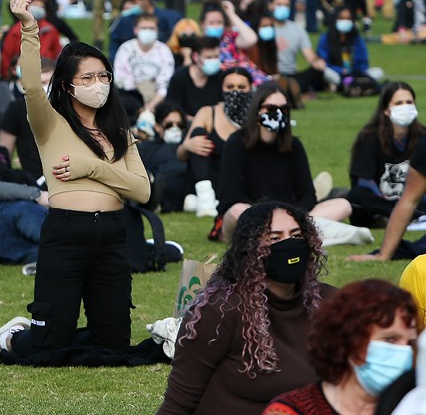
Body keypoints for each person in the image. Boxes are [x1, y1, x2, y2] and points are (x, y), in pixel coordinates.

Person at [0, 0, 151, 360]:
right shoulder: (50, 124)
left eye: (103, 75)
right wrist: (29, 27)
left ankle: (71, 335)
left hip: (111, 235)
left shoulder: (119, 129)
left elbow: (142, 189)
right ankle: (12, 339)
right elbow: (31, 87)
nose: (98, 83)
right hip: (66, 234)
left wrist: (91, 168)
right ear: (66, 84)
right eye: (87, 77)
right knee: (48, 347)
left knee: (114, 347)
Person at [157, 202, 334, 415]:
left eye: (296, 236)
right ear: (249, 250)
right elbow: (178, 403)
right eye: (275, 239)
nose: (289, 245)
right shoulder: (220, 311)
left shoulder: (332, 302)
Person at [217, 83, 352, 241]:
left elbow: (307, 194)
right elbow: (231, 196)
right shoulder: (237, 143)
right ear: (257, 110)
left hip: (289, 215)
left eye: (284, 109)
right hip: (250, 215)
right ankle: (301, 233)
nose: (278, 114)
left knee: (343, 205)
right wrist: (267, 214)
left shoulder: (294, 146)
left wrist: (290, 215)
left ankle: (287, 233)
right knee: (237, 210)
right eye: (271, 109)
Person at [263, 279, 417, 415]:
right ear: (349, 340)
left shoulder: (415, 406)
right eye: (390, 340)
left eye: (410, 343)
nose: (404, 352)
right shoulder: (289, 411)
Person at [178, 67, 252, 222]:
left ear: (250, 88)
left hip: (239, 179)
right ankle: (205, 197)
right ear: (222, 89)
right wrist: (188, 145)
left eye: (241, 87)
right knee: (197, 133)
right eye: (230, 87)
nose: (235, 92)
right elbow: (180, 153)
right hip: (209, 176)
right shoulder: (208, 112)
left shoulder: (257, 117)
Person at [347, 82, 424, 229]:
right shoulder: (370, 138)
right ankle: (411, 216)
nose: (405, 107)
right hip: (380, 202)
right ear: (386, 110)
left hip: (413, 200)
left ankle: (411, 215)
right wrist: (390, 205)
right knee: (357, 194)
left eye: (409, 102)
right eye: (399, 103)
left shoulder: (422, 138)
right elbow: (364, 182)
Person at [0, 57, 54, 181]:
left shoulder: (69, 107)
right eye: (38, 83)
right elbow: (4, 153)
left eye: (47, 83)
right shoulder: (17, 109)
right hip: (34, 181)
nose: (43, 89)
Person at [112, 13, 176, 114]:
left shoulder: (164, 50)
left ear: (157, 31)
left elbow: (165, 82)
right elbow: (122, 78)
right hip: (131, 97)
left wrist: (150, 107)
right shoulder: (126, 49)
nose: (148, 31)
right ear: (136, 30)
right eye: (144, 28)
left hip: (158, 98)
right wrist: (141, 106)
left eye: (151, 28)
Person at [269, 0, 325, 95]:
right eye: (279, 4)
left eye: (286, 5)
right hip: (270, 74)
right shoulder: (265, 27)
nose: (283, 8)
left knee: (317, 71)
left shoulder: (297, 28)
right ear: (271, 5)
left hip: (291, 75)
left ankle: (290, 88)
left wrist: (317, 62)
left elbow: (309, 55)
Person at [316, 6, 383, 91]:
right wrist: (341, 71)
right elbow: (323, 62)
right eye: (341, 18)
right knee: (325, 72)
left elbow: (363, 60)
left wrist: (357, 72)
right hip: (336, 74)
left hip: (356, 74)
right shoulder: (326, 38)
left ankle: (345, 85)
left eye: (348, 19)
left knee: (378, 72)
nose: (345, 22)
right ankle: (349, 84)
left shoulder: (357, 39)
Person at [202, 0, 268, 84]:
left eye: (219, 22)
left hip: (253, 81)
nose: (215, 26)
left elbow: (251, 39)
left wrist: (232, 15)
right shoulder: (200, 45)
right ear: (203, 24)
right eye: (211, 23)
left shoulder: (231, 38)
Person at [140, 103, 190, 213]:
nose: (175, 129)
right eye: (169, 125)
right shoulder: (146, 148)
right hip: (157, 186)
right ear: (157, 127)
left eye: (180, 125)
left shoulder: (188, 148)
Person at [0, 0, 62, 80]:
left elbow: (57, 54)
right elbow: (6, 58)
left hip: (46, 76)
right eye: (35, 5)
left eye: (41, 7)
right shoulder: (15, 31)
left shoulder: (51, 30)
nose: (37, 9)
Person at [165, 36, 223, 119]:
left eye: (216, 57)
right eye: (209, 57)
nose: (213, 61)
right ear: (196, 57)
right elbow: (172, 107)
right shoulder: (179, 77)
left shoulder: (221, 76)